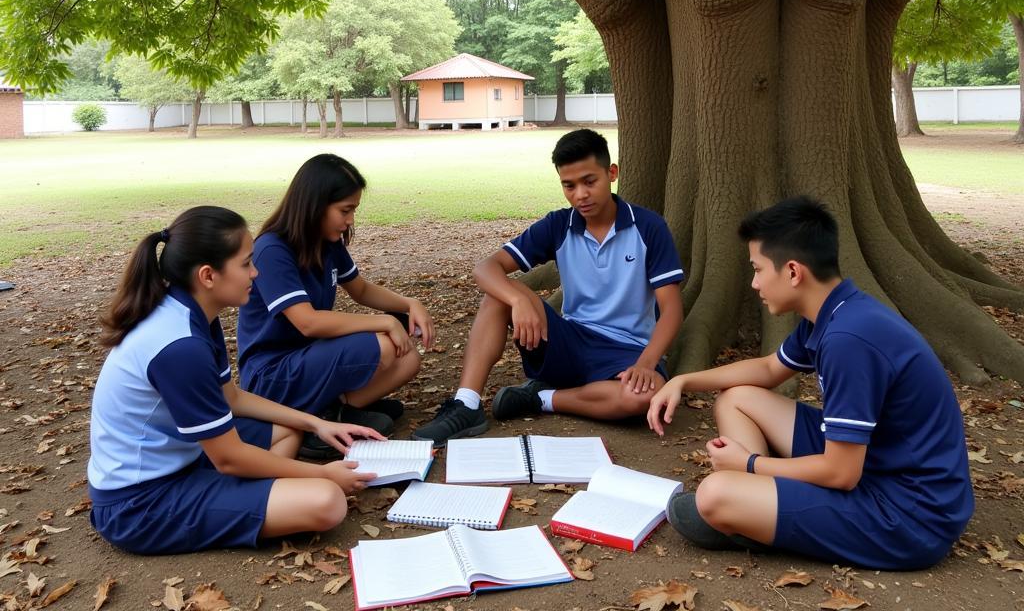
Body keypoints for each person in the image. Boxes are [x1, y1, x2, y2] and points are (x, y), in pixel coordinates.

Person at [648, 196, 974, 570]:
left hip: (907, 517)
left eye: (757, 269)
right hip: (880, 462)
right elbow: (770, 369)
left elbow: (842, 473)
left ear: (792, 272)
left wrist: (749, 463)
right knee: (735, 400)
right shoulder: (836, 310)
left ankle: (760, 517)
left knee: (713, 494)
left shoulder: (849, 341)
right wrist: (684, 381)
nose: (754, 283)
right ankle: (764, 508)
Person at [88, 206, 382, 555]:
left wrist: (317, 424)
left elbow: (232, 399)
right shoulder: (181, 348)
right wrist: (321, 475)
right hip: (139, 506)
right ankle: (248, 499)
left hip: (184, 460)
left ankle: (247, 497)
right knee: (327, 501)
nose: (256, 273)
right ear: (208, 276)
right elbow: (229, 459)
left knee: (289, 429)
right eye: (246, 264)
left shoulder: (193, 314)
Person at [413, 128, 685, 445]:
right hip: (570, 340)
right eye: (568, 185)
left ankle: (541, 398)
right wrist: (518, 298)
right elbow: (486, 268)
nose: (580, 194)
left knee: (642, 397)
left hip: (628, 350)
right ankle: (467, 404)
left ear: (612, 174)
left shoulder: (648, 227)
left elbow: (672, 310)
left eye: (589, 181)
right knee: (498, 296)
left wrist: (647, 363)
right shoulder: (559, 224)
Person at [237, 154, 430, 444]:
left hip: (308, 359)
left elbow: (361, 289)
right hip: (271, 376)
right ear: (315, 205)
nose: (350, 220)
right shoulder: (272, 250)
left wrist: (409, 305)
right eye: (345, 210)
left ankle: (339, 411)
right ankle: (314, 421)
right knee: (385, 345)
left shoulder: (327, 242)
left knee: (409, 358)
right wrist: (386, 322)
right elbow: (308, 323)